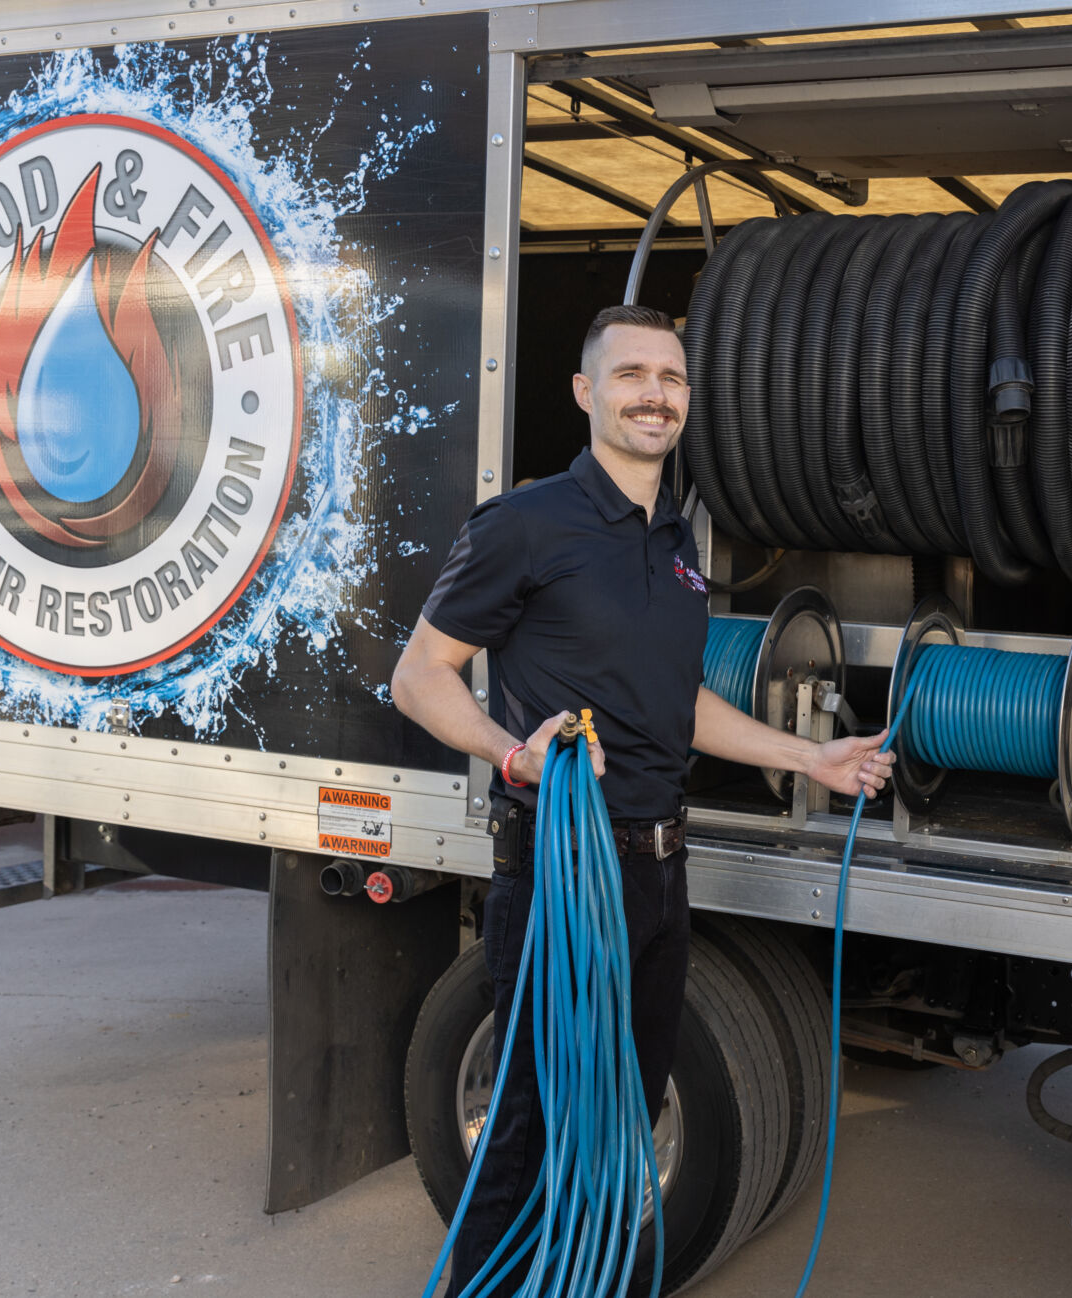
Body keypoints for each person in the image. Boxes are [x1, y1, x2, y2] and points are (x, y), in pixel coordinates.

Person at [391, 303, 894, 1298]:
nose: (653, 393)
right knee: (532, 1129)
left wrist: (811, 757)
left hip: (661, 870)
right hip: (564, 871)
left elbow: (681, 700)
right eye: (631, 375)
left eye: (669, 377)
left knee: (622, 1119)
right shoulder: (526, 524)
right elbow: (420, 674)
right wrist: (510, 751)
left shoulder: (677, 538)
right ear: (587, 393)